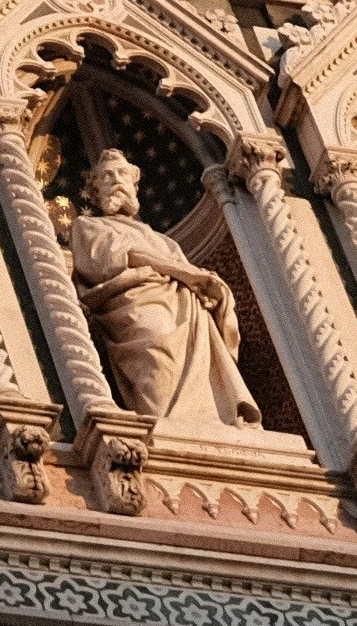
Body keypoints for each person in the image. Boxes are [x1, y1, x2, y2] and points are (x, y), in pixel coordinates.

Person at [61, 150, 262, 434]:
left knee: (201, 360)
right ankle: (167, 423)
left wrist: (211, 291)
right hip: (132, 302)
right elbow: (111, 260)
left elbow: (189, 276)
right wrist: (184, 273)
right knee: (156, 343)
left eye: (122, 175)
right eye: (106, 177)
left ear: (134, 184)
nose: (115, 181)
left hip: (184, 306)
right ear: (94, 191)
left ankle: (209, 422)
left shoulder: (162, 240)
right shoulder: (87, 226)